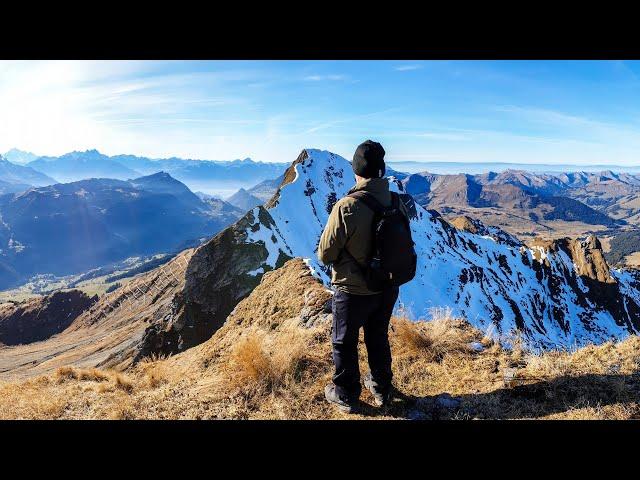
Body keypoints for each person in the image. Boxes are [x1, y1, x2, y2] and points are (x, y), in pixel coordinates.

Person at [317, 140, 410, 413]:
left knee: (344, 340)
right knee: (377, 335)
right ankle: (381, 386)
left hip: (353, 289)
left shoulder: (346, 206)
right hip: (388, 285)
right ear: (382, 170)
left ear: (356, 169)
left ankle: (345, 392)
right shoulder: (397, 201)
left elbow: (325, 254)